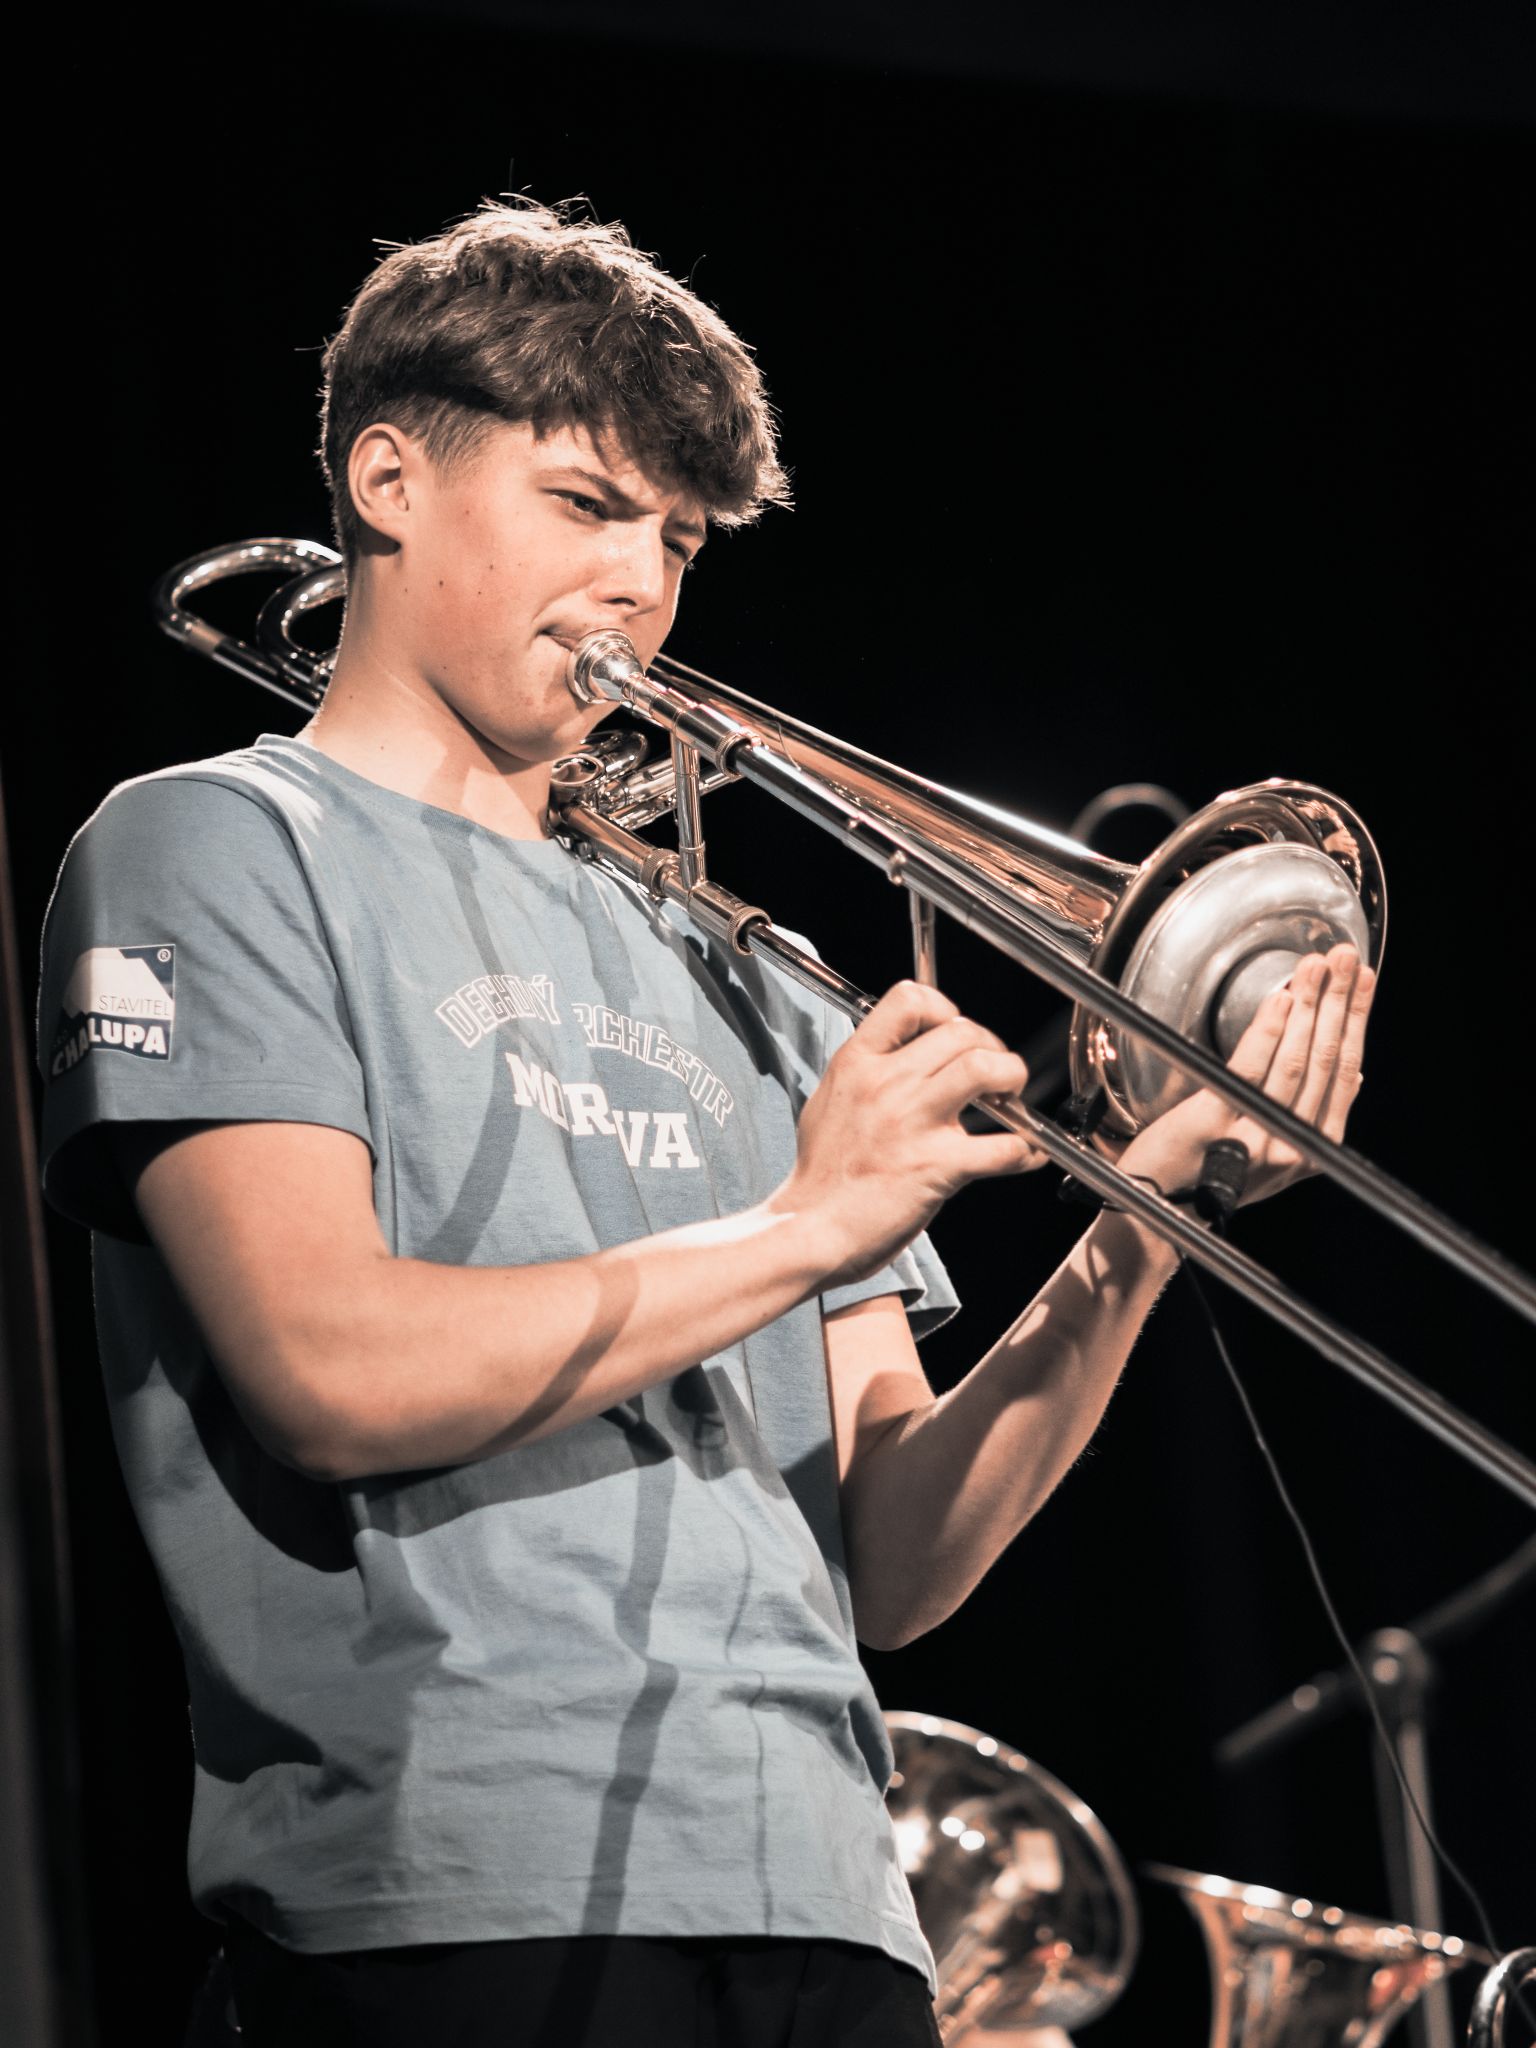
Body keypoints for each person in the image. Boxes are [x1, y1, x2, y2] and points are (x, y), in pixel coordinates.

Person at [36, 198, 1374, 2048]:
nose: (639, 591)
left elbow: (896, 1563)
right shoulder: (217, 844)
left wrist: (1147, 1218)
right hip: (453, 1898)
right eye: (586, 505)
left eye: (674, 540)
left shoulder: (744, 961)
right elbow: (326, 1371)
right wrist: (805, 1222)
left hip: (837, 1907)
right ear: (388, 478)